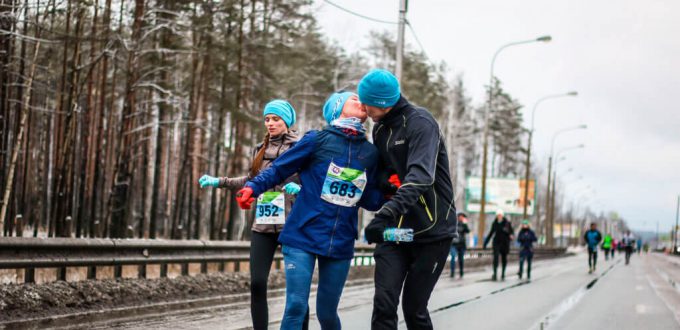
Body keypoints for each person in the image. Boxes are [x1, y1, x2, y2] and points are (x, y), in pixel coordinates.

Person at [235, 91, 385, 330]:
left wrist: (391, 189)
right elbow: (278, 169)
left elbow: (371, 201)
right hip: (302, 234)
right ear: (337, 108)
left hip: (340, 240)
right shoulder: (317, 140)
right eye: (354, 98)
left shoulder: (370, 153)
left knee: (327, 314)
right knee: (295, 306)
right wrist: (252, 187)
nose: (362, 102)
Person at [361, 69, 457, 330]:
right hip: (397, 233)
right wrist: (384, 180)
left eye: (366, 101)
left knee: (414, 309)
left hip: (432, 231)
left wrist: (383, 215)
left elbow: (421, 176)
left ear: (383, 103)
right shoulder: (379, 129)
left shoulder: (421, 123)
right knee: (384, 302)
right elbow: (385, 170)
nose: (362, 106)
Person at [197, 100, 305, 330]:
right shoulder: (260, 149)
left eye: (275, 118)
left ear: (286, 121)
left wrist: (301, 188)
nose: (270, 123)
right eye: (267, 119)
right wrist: (219, 181)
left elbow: (312, 181)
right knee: (257, 284)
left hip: (293, 226)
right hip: (263, 225)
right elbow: (252, 181)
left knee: (297, 291)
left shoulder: (301, 146)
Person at [483, 209, 514, 281]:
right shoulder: (495, 223)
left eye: (500, 215)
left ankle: (503, 273)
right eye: (498, 215)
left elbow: (511, 232)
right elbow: (491, 233)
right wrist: (485, 243)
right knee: (495, 258)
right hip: (496, 242)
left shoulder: (507, 223)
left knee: (504, 258)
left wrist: (510, 235)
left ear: (502, 216)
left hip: (505, 243)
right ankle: (495, 273)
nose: (499, 216)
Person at [450, 213, 471, 278]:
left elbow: (468, 231)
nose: (461, 218)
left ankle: (461, 272)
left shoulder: (464, 225)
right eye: (460, 216)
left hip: (461, 244)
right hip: (454, 244)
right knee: (453, 257)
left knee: (461, 259)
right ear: (458, 217)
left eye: (462, 217)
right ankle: (452, 273)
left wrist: (465, 224)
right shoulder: (454, 223)